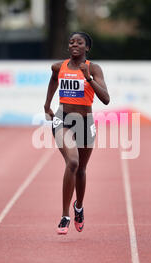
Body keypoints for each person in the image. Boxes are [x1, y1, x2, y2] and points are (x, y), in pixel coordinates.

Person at [44, 32, 110, 235]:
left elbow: (106, 99)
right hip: (62, 118)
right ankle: (64, 216)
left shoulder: (93, 68)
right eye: (71, 41)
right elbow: (54, 80)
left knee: (81, 169)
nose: (74, 44)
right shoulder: (59, 66)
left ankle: (78, 207)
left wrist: (88, 78)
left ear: (86, 48)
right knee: (72, 162)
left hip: (85, 121)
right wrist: (47, 104)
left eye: (79, 42)